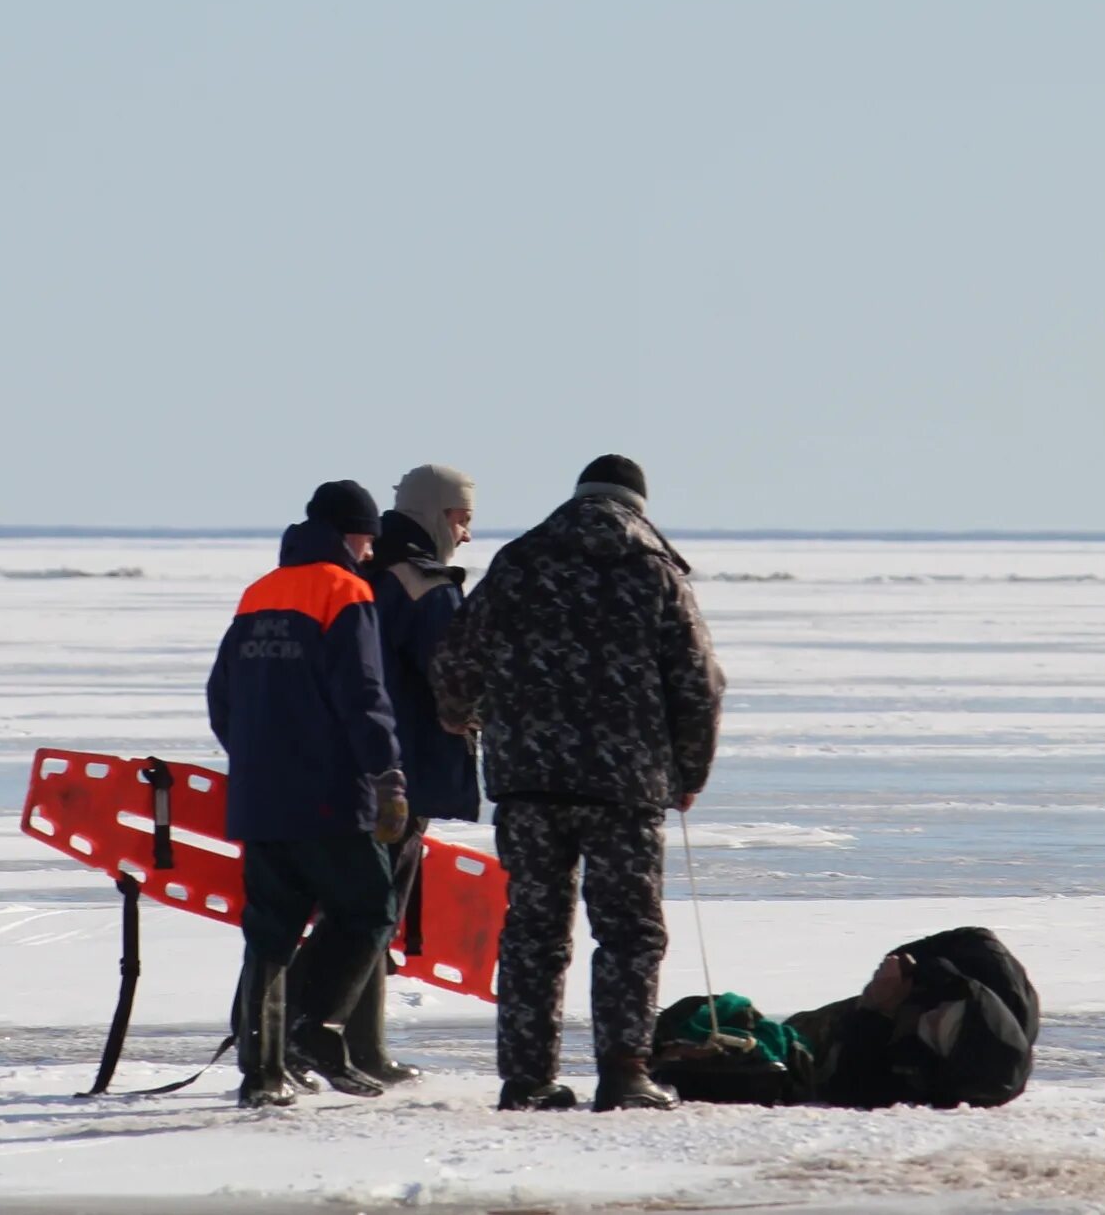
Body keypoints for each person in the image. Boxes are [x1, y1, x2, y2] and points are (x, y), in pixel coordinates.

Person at [432, 454, 723, 1113]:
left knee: (533, 927)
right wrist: (689, 771)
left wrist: (461, 715)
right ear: (638, 504)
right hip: (626, 787)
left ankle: (527, 1076)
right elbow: (699, 683)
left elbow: (456, 659)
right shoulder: (654, 569)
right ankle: (624, 1071)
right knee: (628, 930)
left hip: (528, 781)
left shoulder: (519, 562)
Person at [207, 480, 410, 1108]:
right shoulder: (345, 590)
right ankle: (317, 1028)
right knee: (371, 908)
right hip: (328, 796)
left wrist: (255, 760)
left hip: (261, 798)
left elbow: (221, 699)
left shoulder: (259, 592)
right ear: (350, 533)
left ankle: (262, 1074)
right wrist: (386, 776)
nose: (372, 551)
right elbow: (364, 695)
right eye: (369, 536)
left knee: (269, 931)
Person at [304, 461, 480, 1087]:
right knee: (377, 908)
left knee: (342, 907)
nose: (465, 535)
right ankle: (359, 1048)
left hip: (330, 766)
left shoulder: (350, 575)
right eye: (462, 519)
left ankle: (324, 1043)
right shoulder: (424, 586)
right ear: (438, 514)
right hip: (400, 772)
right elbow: (451, 678)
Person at [781, 927, 1039, 1109]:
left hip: (871, 1029)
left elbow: (854, 1088)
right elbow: (976, 938)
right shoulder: (995, 979)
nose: (929, 1017)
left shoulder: (958, 1078)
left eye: (933, 1027)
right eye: (936, 1013)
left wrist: (876, 1011)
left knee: (800, 1052)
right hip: (918, 990)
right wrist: (908, 965)